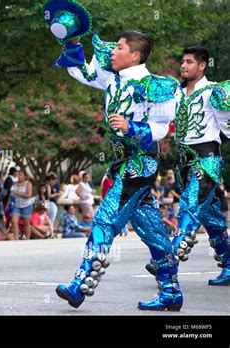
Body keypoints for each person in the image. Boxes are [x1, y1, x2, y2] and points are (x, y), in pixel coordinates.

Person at [48, 18, 181, 310]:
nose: (112, 52)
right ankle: (171, 291)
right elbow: (81, 72)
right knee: (152, 231)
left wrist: (132, 127)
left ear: (134, 55)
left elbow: (162, 128)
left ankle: (80, 283)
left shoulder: (153, 85)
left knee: (105, 220)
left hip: (140, 165)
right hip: (122, 163)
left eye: (119, 47)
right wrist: (71, 41)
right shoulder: (112, 79)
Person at [145, 46, 230, 286]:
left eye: (189, 62)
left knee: (189, 207)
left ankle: (168, 258)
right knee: (210, 216)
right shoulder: (176, 93)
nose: (183, 66)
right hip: (183, 163)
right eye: (182, 61)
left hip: (207, 159)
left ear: (202, 65)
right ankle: (229, 264)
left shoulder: (213, 91)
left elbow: (227, 126)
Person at [10, 169, 34, 240]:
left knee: (26, 223)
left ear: (25, 176)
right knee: (14, 222)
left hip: (26, 206)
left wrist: (16, 192)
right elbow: (11, 195)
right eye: (18, 175)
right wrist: (8, 205)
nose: (19, 176)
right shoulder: (14, 184)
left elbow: (29, 195)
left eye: (21, 175)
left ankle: (27, 239)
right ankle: (16, 238)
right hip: (16, 206)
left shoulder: (28, 184)